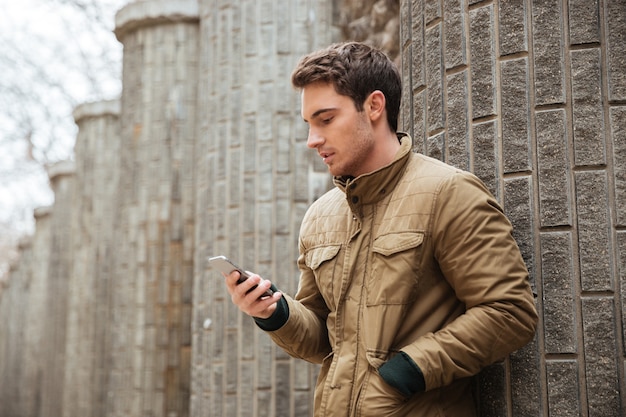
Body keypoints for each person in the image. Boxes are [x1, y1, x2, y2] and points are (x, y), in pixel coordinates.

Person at [223, 41, 538, 417]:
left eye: (325, 119)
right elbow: (322, 339)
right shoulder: (320, 215)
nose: (312, 140)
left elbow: (509, 312)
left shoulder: (448, 192)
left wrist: (405, 372)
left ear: (374, 106)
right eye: (309, 124)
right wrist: (274, 312)